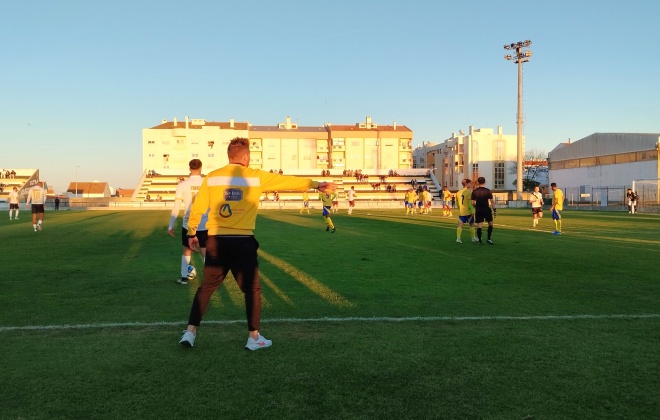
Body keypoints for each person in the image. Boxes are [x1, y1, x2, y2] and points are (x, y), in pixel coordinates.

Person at [179, 137, 336, 350]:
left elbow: (198, 208)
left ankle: (190, 333)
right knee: (252, 289)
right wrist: (317, 185)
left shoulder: (212, 178)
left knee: (206, 288)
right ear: (245, 157)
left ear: (229, 156)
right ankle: (253, 338)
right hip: (243, 241)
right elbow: (288, 181)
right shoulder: (255, 176)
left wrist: (191, 232)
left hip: (217, 241)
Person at [168, 159, 209, 285]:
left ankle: (184, 278)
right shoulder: (207, 183)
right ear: (201, 168)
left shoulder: (182, 185)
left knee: (186, 250)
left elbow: (176, 207)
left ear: (189, 168)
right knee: (205, 251)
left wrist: (171, 225)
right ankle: (209, 280)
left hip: (188, 224)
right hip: (204, 224)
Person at [471, 176, 495, 245]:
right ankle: (489, 239)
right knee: (490, 224)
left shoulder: (475, 191)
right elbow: (492, 201)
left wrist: (476, 207)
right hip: (486, 209)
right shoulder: (488, 191)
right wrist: (494, 210)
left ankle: (480, 241)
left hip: (479, 210)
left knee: (479, 225)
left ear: (478, 182)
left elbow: (472, 203)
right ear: (485, 182)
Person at [456, 179, 478, 243]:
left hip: (461, 212)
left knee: (460, 225)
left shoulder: (458, 192)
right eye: (470, 183)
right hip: (468, 211)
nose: (471, 185)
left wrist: (460, 209)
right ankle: (473, 238)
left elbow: (457, 204)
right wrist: (472, 211)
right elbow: (470, 203)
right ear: (467, 184)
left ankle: (458, 238)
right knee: (472, 225)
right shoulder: (469, 192)